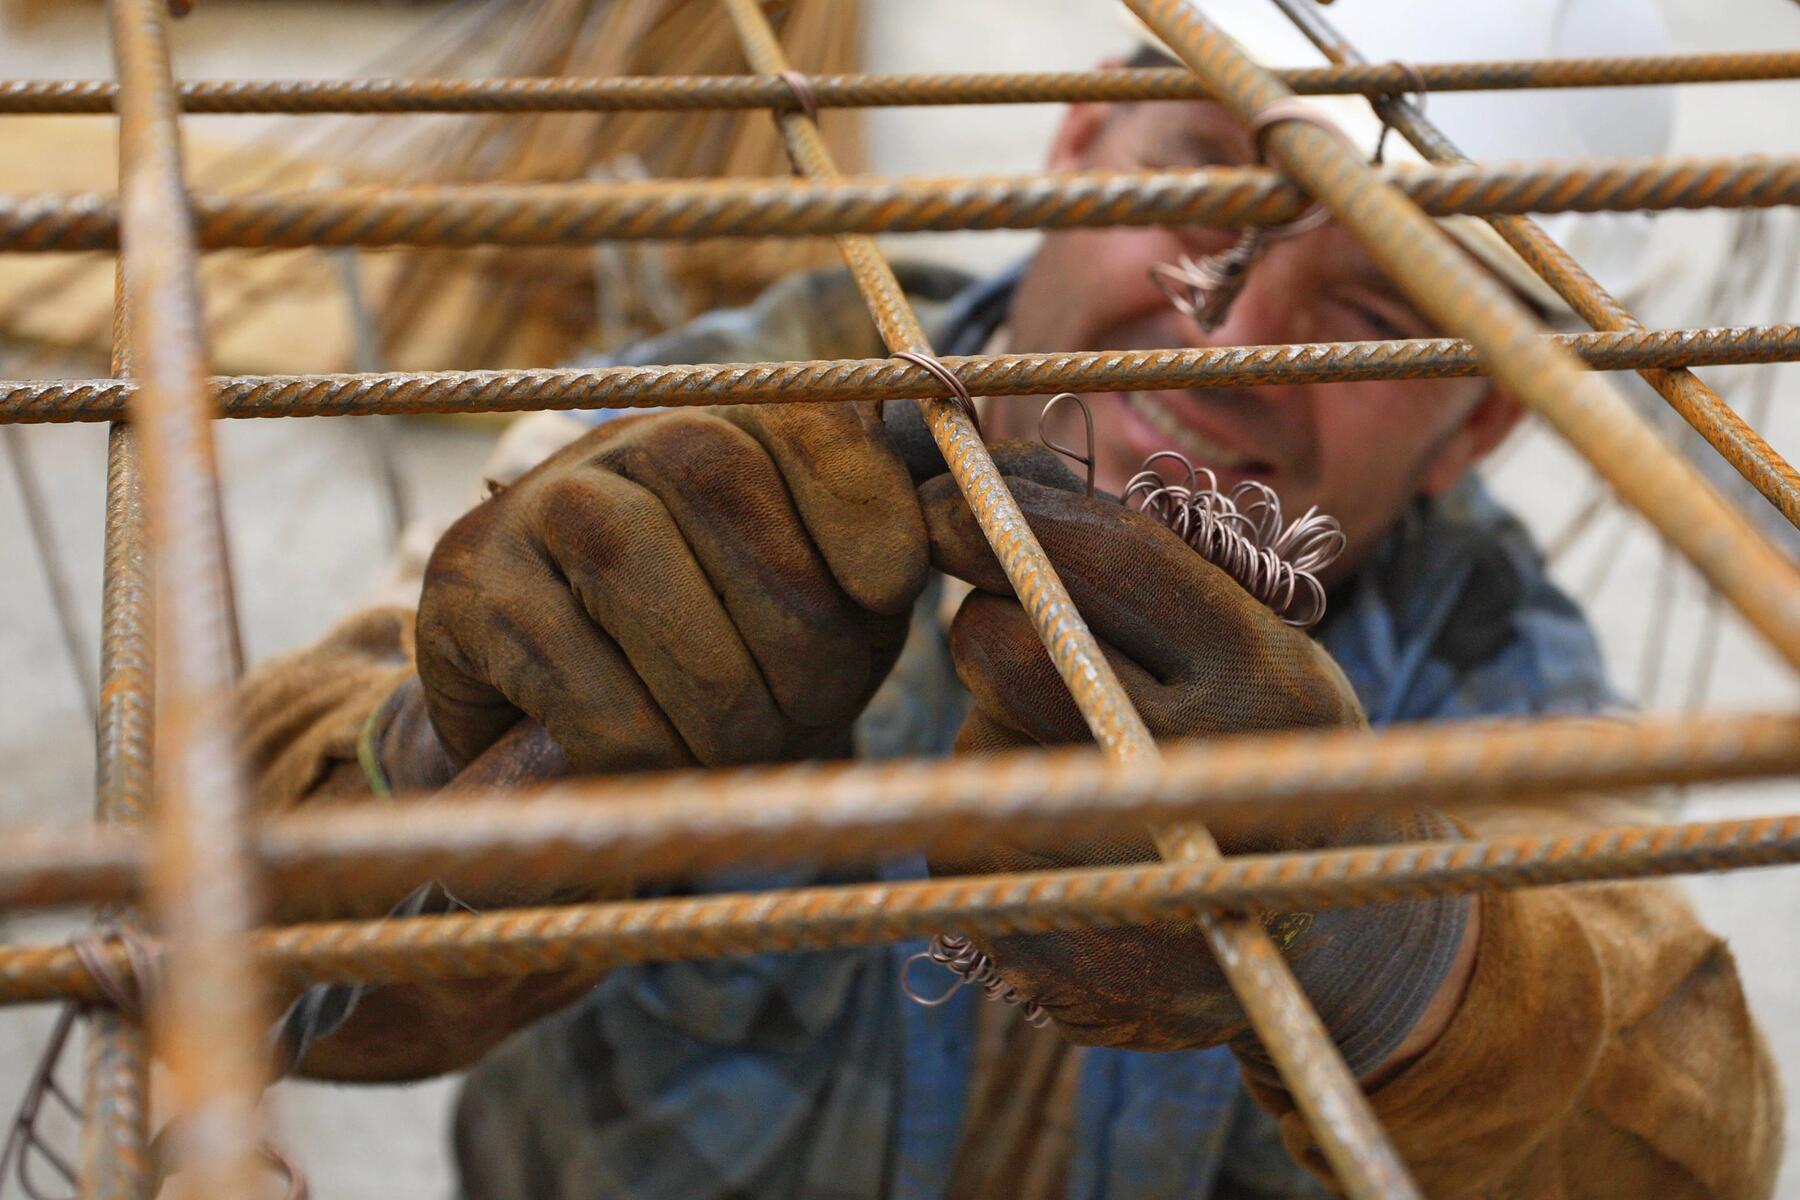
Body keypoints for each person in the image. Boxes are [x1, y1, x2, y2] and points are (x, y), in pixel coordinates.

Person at [237, 7, 1783, 1198]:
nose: (1228, 338)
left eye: (1383, 310)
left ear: (1486, 421)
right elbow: (240, 913)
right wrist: (470, 755)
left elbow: (1687, 1133)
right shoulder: (700, 428)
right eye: (1202, 196)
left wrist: (1392, 946)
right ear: (1075, 141)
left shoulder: (1485, 660)